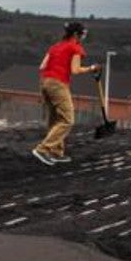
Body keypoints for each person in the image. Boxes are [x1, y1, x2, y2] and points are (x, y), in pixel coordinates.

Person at [32, 22, 100, 165]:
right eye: (83, 33)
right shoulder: (75, 48)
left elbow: (42, 66)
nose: (84, 36)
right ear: (76, 34)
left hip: (45, 82)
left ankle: (56, 152)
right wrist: (91, 68)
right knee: (68, 120)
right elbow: (75, 70)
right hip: (58, 84)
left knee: (55, 118)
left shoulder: (55, 46)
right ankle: (42, 149)